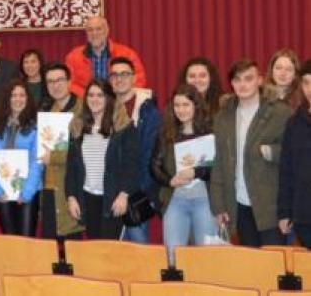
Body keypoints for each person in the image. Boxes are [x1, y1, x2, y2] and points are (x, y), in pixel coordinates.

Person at [210, 59, 292, 246]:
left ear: (260, 80)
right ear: (231, 84)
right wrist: (218, 206)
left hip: (270, 205)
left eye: (249, 78)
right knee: (252, 267)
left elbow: (294, 156)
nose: (243, 84)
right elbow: (218, 163)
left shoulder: (280, 112)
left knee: (274, 268)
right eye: (237, 80)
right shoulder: (223, 118)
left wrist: (271, 152)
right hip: (239, 205)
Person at [65, 79, 138, 239]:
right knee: (93, 248)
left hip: (112, 198)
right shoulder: (77, 127)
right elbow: (71, 166)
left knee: (109, 252)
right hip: (87, 197)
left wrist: (124, 195)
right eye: (91, 95)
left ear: (109, 99)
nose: (95, 99)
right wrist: (71, 197)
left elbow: (131, 164)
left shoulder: (123, 127)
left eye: (100, 95)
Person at [152, 84, 217, 263]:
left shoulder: (210, 131)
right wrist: (169, 181)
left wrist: (195, 172)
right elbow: (154, 166)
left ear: (196, 105)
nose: (181, 110)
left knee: (206, 257)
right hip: (176, 199)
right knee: (173, 256)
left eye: (186, 105)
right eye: (177, 105)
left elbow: (218, 168)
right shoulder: (166, 133)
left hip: (205, 201)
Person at [109, 56, 161, 243]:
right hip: (110, 191)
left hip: (138, 192)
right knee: (112, 249)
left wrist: (132, 191)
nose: (119, 79)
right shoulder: (104, 108)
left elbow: (150, 155)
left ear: (134, 78)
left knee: (138, 246)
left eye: (124, 74)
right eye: (114, 75)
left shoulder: (148, 111)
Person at [0, 80, 44, 236]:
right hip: (1, 191)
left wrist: (27, 192)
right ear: (7, 99)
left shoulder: (36, 126)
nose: (18, 99)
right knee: (9, 238)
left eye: (22, 95)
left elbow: (38, 161)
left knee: (26, 238)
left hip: (28, 192)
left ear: (27, 98)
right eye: (14, 95)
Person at [39, 63, 84, 240]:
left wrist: (54, 156)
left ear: (69, 81)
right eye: (50, 81)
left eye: (59, 80)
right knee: (52, 247)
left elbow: (83, 150)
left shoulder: (82, 109)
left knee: (74, 245)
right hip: (49, 185)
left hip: (71, 184)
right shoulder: (46, 110)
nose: (55, 85)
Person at [64, 16, 147, 96]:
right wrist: (89, 96)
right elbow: (68, 83)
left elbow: (139, 80)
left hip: (119, 103)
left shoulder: (127, 54)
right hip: (86, 104)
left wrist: (119, 96)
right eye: (90, 30)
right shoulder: (73, 57)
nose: (94, 33)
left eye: (98, 29)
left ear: (107, 31)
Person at [278, 60, 311, 247]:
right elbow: (286, 170)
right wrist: (284, 212)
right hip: (304, 215)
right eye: (306, 83)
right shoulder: (294, 122)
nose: (310, 89)